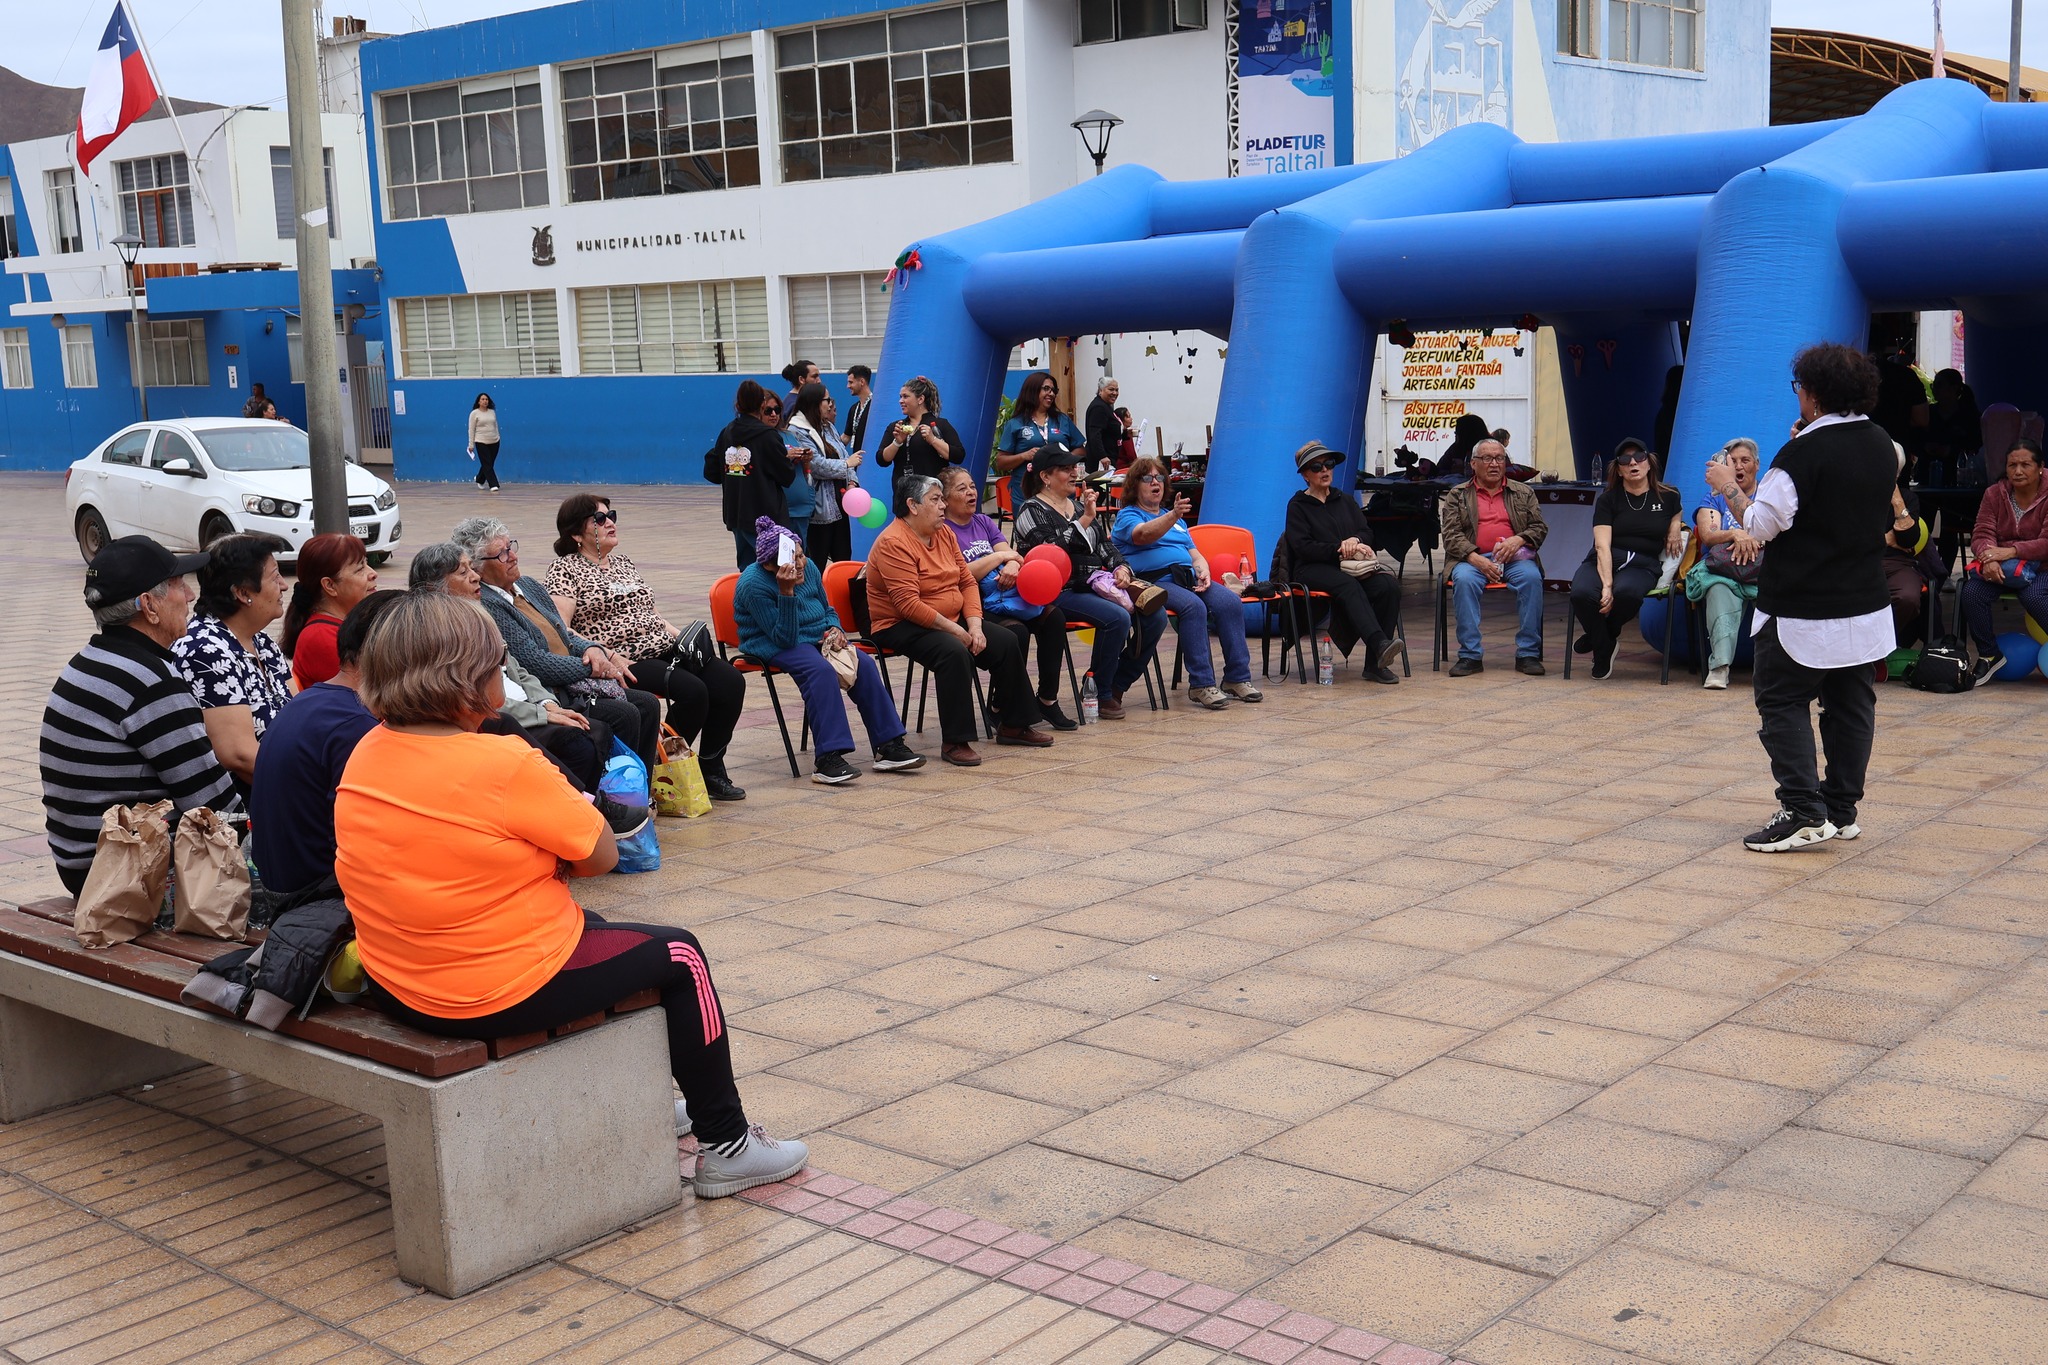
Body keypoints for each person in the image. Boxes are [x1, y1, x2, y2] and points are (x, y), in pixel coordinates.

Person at [334, 592, 807, 1197]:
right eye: (498, 665)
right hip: (484, 992)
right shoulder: (503, 760)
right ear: (470, 679)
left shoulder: (368, 750)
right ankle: (730, 1146)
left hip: (400, 981)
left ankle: (652, 1097)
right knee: (680, 955)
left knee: (603, 931)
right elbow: (603, 855)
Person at [1704, 341, 1896, 852]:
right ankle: (1840, 809)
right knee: (1852, 704)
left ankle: (1803, 810)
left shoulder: (1802, 452)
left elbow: (1761, 523)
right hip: (1864, 601)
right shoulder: (1881, 442)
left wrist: (1728, 485)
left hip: (1803, 605)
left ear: (1811, 394)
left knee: (1782, 701)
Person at [41, 537, 237, 898]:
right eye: (179, 585)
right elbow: (213, 805)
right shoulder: (152, 683)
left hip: (82, 863)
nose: (190, 596)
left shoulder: (87, 661)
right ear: (149, 606)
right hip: (129, 876)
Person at [542, 494, 748, 796]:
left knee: (729, 681)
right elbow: (562, 628)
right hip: (624, 657)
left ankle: (711, 765)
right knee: (693, 692)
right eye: (599, 519)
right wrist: (606, 655)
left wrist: (685, 638)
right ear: (576, 533)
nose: (610, 522)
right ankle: (662, 768)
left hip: (663, 646)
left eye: (610, 515)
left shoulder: (624, 563)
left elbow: (650, 614)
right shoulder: (565, 569)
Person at [452, 517, 675, 788]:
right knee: (626, 712)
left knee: (647, 704)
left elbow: (564, 634)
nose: (512, 556)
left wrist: (593, 649)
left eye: (511, 547)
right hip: (555, 688)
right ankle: (613, 796)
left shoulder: (529, 587)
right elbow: (536, 663)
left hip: (574, 676)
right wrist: (593, 665)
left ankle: (639, 791)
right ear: (479, 568)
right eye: (501, 554)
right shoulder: (490, 603)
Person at [865, 474, 1051, 766]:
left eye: (942, 499)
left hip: (947, 618)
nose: (942, 506)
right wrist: (957, 631)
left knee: (1005, 640)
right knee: (953, 652)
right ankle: (955, 741)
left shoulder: (943, 533)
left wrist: (974, 625)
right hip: (899, 624)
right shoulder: (893, 542)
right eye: (935, 500)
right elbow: (908, 605)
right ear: (913, 505)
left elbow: (966, 582)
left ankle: (1014, 724)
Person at [413, 542, 617, 800]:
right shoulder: (439, 633)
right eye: (463, 573)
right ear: (435, 587)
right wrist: (542, 713)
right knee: (579, 741)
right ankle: (582, 805)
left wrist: (546, 703)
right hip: (499, 714)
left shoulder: (478, 615)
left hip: (528, 704)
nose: (475, 576)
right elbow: (478, 698)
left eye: (471, 569)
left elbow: (518, 668)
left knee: (596, 730)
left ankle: (590, 806)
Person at [733, 518, 925, 784]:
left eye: (801, 555)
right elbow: (784, 638)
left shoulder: (809, 567)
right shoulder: (753, 584)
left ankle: (889, 745)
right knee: (819, 671)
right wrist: (786, 593)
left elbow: (826, 609)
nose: (799, 565)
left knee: (864, 664)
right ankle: (828, 758)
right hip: (771, 642)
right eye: (791, 560)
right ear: (768, 565)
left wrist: (835, 628)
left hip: (813, 635)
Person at [249, 589, 407, 897]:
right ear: (393, 654)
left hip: (283, 885)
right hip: (314, 899)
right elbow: (369, 852)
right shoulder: (356, 726)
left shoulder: (313, 700)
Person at [1013, 444, 1169, 716]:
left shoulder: (1076, 506)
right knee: (1117, 618)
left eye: (1074, 468)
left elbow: (1105, 547)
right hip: (1060, 589)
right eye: (1066, 469)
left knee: (1156, 616)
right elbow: (1051, 552)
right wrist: (1085, 519)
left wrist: (1121, 568)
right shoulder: (1030, 510)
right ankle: (1102, 691)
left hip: (1097, 582)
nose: (1074, 473)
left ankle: (1115, 683)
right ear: (1045, 477)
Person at [1113, 456, 1262, 708]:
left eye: (1159, 477)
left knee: (1229, 602)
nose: (1155, 482)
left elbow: (1194, 554)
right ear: (1134, 485)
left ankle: (1237, 678)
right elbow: (1143, 535)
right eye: (1147, 478)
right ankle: (1201, 684)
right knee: (1194, 607)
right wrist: (1172, 515)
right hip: (1154, 581)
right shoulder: (1129, 515)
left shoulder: (1178, 522)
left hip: (1187, 578)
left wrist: (1203, 570)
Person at [940, 466, 1076, 730]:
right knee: (1017, 633)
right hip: (974, 602)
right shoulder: (944, 531)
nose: (971, 492)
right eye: (962, 488)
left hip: (1009, 593)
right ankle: (1000, 704)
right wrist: (1000, 558)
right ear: (944, 499)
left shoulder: (984, 522)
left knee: (1054, 618)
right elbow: (960, 574)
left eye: (972, 486)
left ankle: (1047, 700)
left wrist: (1013, 563)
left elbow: (1013, 555)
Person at [172, 532, 295, 789]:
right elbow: (239, 755)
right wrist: (312, 788)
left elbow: (298, 713)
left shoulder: (261, 642)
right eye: (274, 577)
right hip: (247, 805)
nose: (284, 585)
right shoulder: (204, 651)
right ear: (242, 592)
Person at [1280, 441, 1404, 683]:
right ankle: (1379, 642)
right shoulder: (1297, 506)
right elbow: (1302, 546)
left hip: (1349, 567)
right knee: (1347, 585)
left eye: (1329, 464)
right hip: (1311, 568)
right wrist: (1339, 549)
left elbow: (1367, 532)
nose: (1324, 470)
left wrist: (1356, 540)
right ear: (1305, 475)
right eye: (1316, 467)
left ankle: (1375, 665)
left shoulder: (1345, 500)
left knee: (1388, 587)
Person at [1571, 444, 1683, 680]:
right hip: (1606, 558)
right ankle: (1605, 647)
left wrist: (1674, 527)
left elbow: (1676, 511)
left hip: (1642, 564)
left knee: (1628, 593)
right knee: (1581, 592)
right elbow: (1601, 545)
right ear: (1619, 470)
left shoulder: (1669, 495)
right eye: (1625, 459)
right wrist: (1607, 585)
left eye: (1639, 457)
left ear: (1648, 463)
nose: (1633, 463)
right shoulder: (1608, 500)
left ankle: (1598, 637)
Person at [1439, 439, 1550, 677]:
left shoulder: (1523, 492)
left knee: (1531, 578)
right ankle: (1470, 655)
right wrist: (1473, 556)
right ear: (1473, 464)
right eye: (1487, 458)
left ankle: (1528, 653)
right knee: (1465, 581)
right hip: (1471, 560)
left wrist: (1518, 539)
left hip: (1515, 559)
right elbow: (1450, 535)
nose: (1494, 464)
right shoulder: (1457, 495)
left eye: (1500, 458)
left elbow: (1539, 527)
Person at [1960, 438, 2048, 681]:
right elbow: (1982, 532)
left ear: (2040, 466)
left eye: (2025, 465)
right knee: (1972, 592)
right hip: (2004, 567)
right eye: (2012, 465)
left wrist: (2010, 551)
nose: (2018, 471)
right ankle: (1989, 655)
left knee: (2033, 596)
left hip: (2042, 567)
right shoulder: (1995, 493)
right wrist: (1988, 559)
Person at [1688, 438, 1764, 690]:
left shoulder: (1768, 495)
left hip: (1762, 570)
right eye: (1733, 462)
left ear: (1756, 465)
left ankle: (1778, 668)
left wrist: (1752, 539)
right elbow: (1709, 534)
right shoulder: (1713, 497)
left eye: (1746, 461)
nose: (1739, 467)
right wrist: (1736, 534)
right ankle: (1719, 668)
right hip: (1723, 570)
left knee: (1781, 592)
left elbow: (1777, 528)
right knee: (1719, 590)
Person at [708, 380, 795, 570]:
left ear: (738, 405)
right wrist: (787, 459)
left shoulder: (727, 433)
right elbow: (786, 476)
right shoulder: (768, 437)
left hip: (737, 514)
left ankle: (748, 600)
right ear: (762, 404)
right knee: (777, 570)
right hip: (766, 518)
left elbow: (711, 471)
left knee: (748, 571)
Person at [280, 533, 378, 689]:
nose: (373, 573)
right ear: (330, 586)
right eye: (360, 569)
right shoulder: (321, 637)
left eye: (366, 563)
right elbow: (373, 698)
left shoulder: (346, 625)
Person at [786, 383, 863, 565]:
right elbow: (816, 466)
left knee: (843, 559)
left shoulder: (827, 426)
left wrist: (852, 481)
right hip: (818, 510)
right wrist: (846, 464)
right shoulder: (797, 430)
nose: (830, 404)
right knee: (816, 563)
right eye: (827, 400)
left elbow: (845, 456)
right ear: (814, 402)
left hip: (840, 503)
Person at [994, 372, 1084, 511]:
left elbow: (1080, 449)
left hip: (1060, 490)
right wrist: (1024, 456)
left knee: (1065, 530)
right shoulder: (1015, 424)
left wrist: (1064, 459)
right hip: (1026, 492)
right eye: (1046, 389)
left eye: (1054, 390)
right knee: (1030, 530)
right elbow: (1001, 462)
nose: (1051, 393)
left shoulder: (1062, 420)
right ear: (1032, 390)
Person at [876, 376, 962, 511]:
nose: (901, 401)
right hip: (904, 497)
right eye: (900, 397)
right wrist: (897, 442)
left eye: (905, 397)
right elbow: (882, 460)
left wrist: (933, 440)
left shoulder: (939, 425)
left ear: (920, 399)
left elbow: (958, 455)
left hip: (932, 497)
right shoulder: (896, 427)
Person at [1436, 413, 1493, 482]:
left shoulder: (1493, 449)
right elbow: (1438, 470)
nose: (1455, 436)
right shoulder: (1455, 448)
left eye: (1457, 433)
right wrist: (1451, 472)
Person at [1084, 378, 1121, 476]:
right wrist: (1102, 456)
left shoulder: (1106, 406)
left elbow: (1109, 431)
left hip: (1109, 458)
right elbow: (1095, 434)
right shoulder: (1098, 407)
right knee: (1101, 489)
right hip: (1101, 462)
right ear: (1100, 391)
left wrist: (1125, 434)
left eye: (1116, 390)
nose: (1115, 393)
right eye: (1111, 389)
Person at [468, 393, 502, 492]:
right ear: (478, 401)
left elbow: (495, 425)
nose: (485, 401)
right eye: (482, 399)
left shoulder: (492, 412)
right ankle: (493, 484)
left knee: (489, 463)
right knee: (487, 462)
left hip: (494, 441)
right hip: (481, 441)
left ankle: (480, 479)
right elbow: (471, 429)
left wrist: (498, 436)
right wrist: (471, 444)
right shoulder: (474, 413)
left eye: (486, 399)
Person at [844, 364, 876, 456]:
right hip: (858, 461)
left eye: (851, 382)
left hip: (872, 460)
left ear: (862, 382)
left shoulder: (876, 407)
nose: (848, 386)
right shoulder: (854, 409)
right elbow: (846, 436)